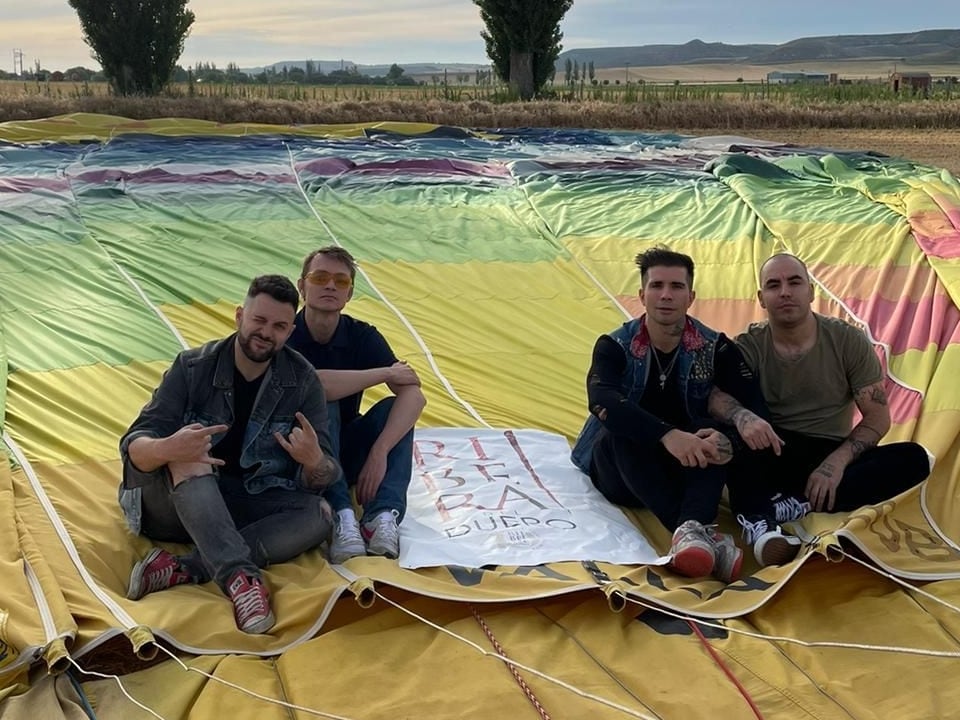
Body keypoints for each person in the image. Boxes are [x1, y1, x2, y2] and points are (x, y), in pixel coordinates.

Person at [119, 275, 341, 634]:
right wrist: (167, 447)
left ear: (290, 331)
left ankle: (189, 567)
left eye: (279, 326)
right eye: (259, 320)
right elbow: (133, 450)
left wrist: (314, 461)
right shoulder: (192, 368)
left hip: (241, 502)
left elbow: (326, 474)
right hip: (171, 505)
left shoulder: (302, 381)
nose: (266, 332)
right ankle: (241, 579)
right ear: (240, 316)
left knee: (320, 514)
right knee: (190, 452)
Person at [711, 253, 931, 566]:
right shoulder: (749, 345)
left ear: (812, 291)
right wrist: (743, 416)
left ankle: (788, 506)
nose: (785, 291)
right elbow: (713, 397)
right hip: (772, 450)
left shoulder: (847, 341)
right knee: (726, 437)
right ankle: (761, 524)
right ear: (762, 298)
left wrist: (835, 463)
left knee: (914, 458)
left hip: (830, 453)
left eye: (794, 282)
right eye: (774, 285)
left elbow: (878, 417)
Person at [570, 247, 768, 583]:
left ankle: (692, 536)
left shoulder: (715, 347)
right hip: (619, 472)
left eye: (676, 287)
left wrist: (730, 441)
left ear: (690, 296)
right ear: (641, 295)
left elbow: (757, 407)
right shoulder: (614, 346)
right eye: (657, 286)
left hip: (684, 468)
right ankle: (695, 532)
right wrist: (667, 435)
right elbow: (602, 400)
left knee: (710, 432)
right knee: (620, 431)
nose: (665, 295)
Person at [287, 246, 426, 562]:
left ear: (349, 294)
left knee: (395, 410)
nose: (331, 286)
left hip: (346, 448)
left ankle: (382, 515)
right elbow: (318, 386)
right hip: (302, 457)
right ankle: (342, 514)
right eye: (320, 277)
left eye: (341, 281)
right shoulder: (287, 335)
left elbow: (414, 395)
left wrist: (379, 452)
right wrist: (383, 372)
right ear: (302, 286)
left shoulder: (361, 335)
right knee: (326, 405)